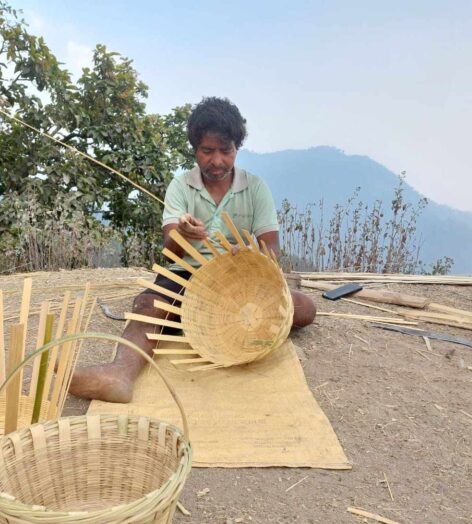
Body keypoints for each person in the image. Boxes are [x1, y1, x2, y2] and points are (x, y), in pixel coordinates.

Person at [69, 97, 317, 402]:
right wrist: (184, 235)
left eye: (225, 151)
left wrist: (251, 253)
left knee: (304, 308)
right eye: (207, 151)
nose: (217, 161)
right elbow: (169, 251)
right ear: (195, 149)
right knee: (148, 306)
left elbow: (272, 246)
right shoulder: (181, 186)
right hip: (184, 276)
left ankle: (200, 322)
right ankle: (120, 373)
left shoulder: (255, 188)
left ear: (237, 148)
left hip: (239, 281)